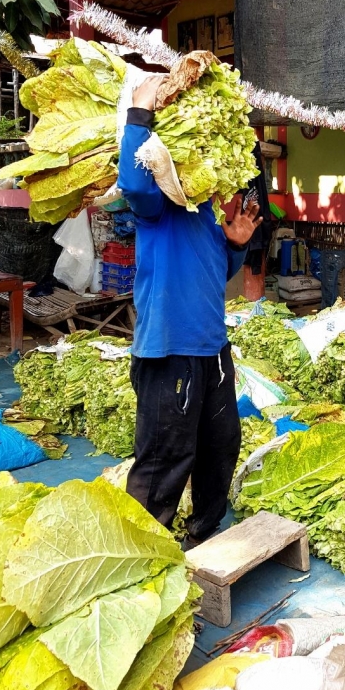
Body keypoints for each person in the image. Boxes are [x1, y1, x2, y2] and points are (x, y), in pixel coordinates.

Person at [117, 73, 262, 548]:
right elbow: (134, 185)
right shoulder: (156, 203)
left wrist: (236, 245)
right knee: (164, 460)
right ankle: (141, 558)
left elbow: (211, 274)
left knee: (219, 448)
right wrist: (139, 113)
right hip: (169, 351)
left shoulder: (200, 209)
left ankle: (201, 535)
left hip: (212, 350)